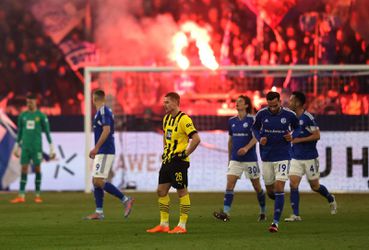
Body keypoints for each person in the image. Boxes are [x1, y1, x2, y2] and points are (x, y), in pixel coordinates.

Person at [146, 92, 201, 234]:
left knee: (181, 191)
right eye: (164, 102)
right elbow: (165, 135)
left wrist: (185, 154)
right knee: (161, 191)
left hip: (179, 162)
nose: (164, 105)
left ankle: (182, 225)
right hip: (168, 160)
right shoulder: (166, 119)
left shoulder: (184, 119)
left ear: (176, 102)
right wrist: (165, 150)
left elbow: (196, 139)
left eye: (167, 102)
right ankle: (164, 224)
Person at [285, 91, 337, 222]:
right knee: (293, 184)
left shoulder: (307, 117)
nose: (289, 102)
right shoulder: (290, 117)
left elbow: (317, 135)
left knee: (315, 186)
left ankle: (330, 198)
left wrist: (299, 140)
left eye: (291, 100)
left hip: (310, 157)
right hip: (295, 156)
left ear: (297, 103)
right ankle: (296, 215)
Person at [252, 91, 300, 233]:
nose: (272, 108)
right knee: (271, 191)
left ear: (280, 101)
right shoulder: (261, 114)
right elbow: (254, 128)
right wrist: (260, 138)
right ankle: (278, 201)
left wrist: (292, 135)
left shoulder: (289, 115)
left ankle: (275, 222)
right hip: (267, 156)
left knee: (279, 188)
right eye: (270, 106)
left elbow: (297, 127)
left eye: (275, 105)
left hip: (283, 155)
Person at [213, 95, 266, 222]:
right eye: (236, 102)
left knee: (257, 186)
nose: (237, 103)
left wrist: (246, 148)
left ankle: (263, 211)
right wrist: (229, 158)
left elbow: (256, 138)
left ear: (246, 105)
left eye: (240, 101)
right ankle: (226, 213)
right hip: (235, 159)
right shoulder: (232, 121)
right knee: (230, 184)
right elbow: (230, 141)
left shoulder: (253, 120)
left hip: (250, 159)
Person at [84, 89, 134, 220]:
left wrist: (96, 148)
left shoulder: (103, 111)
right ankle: (99, 212)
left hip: (105, 150)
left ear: (93, 99)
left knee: (99, 181)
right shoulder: (101, 112)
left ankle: (125, 199)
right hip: (103, 151)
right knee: (95, 181)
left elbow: (106, 130)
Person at [11, 93, 55, 203]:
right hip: (25, 147)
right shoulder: (23, 116)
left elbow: (47, 133)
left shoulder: (41, 116)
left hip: (36, 147)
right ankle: (21, 196)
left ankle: (37, 194)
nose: (29, 103)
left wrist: (51, 148)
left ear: (36, 101)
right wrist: (16, 146)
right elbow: (20, 132)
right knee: (24, 168)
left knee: (37, 169)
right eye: (28, 101)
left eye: (31, 101)